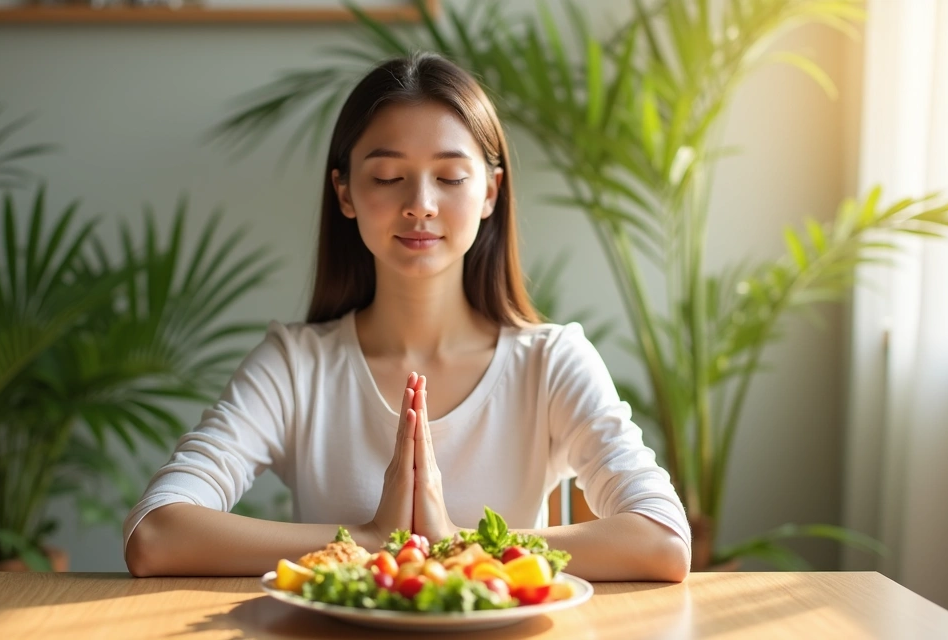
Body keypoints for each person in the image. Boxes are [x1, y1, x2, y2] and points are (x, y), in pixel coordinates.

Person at [124, 52, 690, 582]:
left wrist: (450, 542)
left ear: (491, 192)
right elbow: (155, 533)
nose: (420, 202)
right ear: (344, 192)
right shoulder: (297, 365)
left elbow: (664, 540)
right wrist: (370, 539)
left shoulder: (550, 361)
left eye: (450, 177)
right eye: (389, 177)